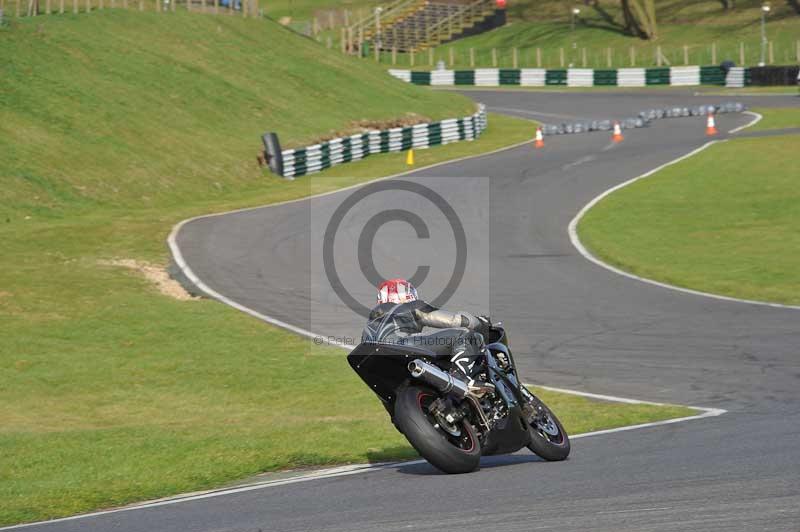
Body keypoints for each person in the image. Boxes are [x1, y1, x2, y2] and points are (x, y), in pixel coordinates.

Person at [362, 278, 491, 377]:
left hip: (372, 362)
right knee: (464, 335)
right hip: (402, 346)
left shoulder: (372, 319)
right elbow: (454, 321)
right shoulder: (411, 306)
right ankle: (460, 377)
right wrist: (480, 322)